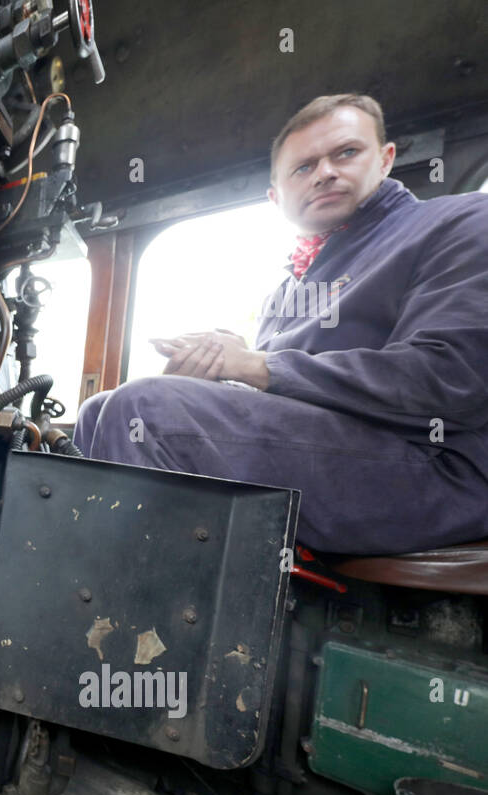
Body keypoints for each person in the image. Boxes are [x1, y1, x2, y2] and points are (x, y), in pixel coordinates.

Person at [72, 94, 488, 555]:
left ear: (386, 159)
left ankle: (130, 619)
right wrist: (218, 377)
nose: (326, 172)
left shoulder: (459, 221)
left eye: (346, 153)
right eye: (303, 167)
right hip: (344, 458)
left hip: (437, 468)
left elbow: (448, 379)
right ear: (276, 197)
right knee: (98, 411)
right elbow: (289, 399)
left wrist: (258, 365)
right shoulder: (288, 289)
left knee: (146, 411)